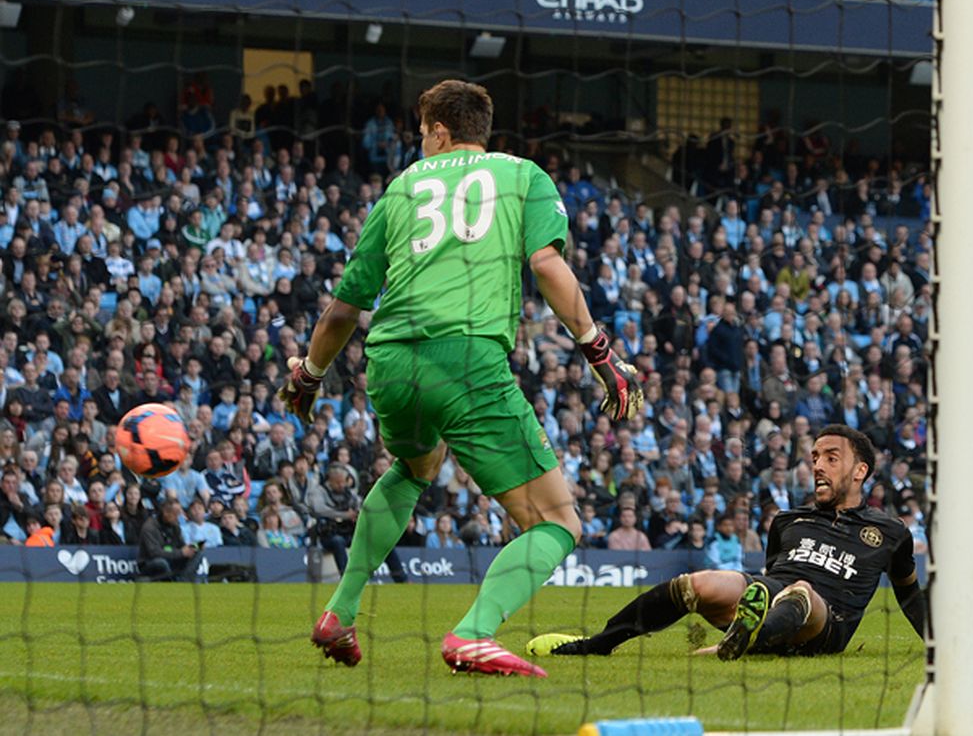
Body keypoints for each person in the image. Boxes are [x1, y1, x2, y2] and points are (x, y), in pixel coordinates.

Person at [278, 80, 643, 677]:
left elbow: (345, 308)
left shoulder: (398, 191)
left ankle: (340, 612)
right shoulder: (523, 176)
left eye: (422, 131)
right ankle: (473, 633)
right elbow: (547, 264)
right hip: (468, 359)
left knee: (415, 467)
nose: (420, 141)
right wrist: (598, 351)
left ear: (440, 131)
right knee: (557, 521)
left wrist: (310, 376)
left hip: (391, 364)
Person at [526, 425, 924, 660]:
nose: (817, 465)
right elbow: (769, 574)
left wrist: (937, 643)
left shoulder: (889, 531)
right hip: (773, 594)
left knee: (800, 593)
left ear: (860, 471)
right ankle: (600, 644)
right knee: (700, 583)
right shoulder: (788, 520)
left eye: (831, 458)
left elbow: (908, 595)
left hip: (826, 621)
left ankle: (742, 642)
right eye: (815, 456)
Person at [138, 499, 203, 582]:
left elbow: (181, 546)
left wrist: (192, 547)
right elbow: (154, 553)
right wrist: (181, 553)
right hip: (150, 562)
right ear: (166, 513)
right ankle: (171, 583)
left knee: (197, 553)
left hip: (172, 559)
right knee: (161, 563)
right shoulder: (150, 527)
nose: (178, 518)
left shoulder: (175, 526)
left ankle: (183, 581)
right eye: (176, 514)